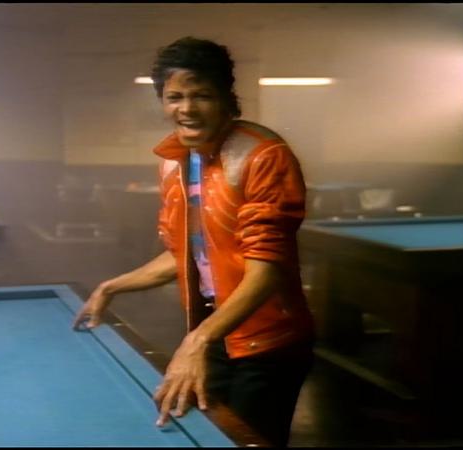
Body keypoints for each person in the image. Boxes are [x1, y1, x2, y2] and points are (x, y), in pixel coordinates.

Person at [72, 36, 315, 447]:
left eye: (201, 95)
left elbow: (267, 269)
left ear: (225, 98)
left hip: (268, 341)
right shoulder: (174, 162)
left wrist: (197, 340)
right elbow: (182, 254)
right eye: (175, 97)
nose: (186, 108)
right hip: (215, 332)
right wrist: (111, 286)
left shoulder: (263, 155)